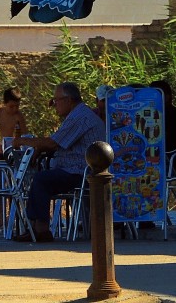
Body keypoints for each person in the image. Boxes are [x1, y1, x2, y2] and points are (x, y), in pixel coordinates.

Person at [11, 81, 105, 243]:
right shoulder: (78, 114)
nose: (54, 105)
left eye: (56, 100)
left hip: (82, 172)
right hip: (76, 169)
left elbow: (53, 143)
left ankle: (41, 229)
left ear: (68, 100)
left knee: (42, 179)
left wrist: (22, 141)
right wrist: (40, 148)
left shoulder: (79, 117)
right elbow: (59, 142)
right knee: (42, 178)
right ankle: (34, 227)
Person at [149, 80, 176, 174]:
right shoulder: (170, 112)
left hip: (167, 161)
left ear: (166, 97)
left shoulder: (168, 114)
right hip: (170, 159)